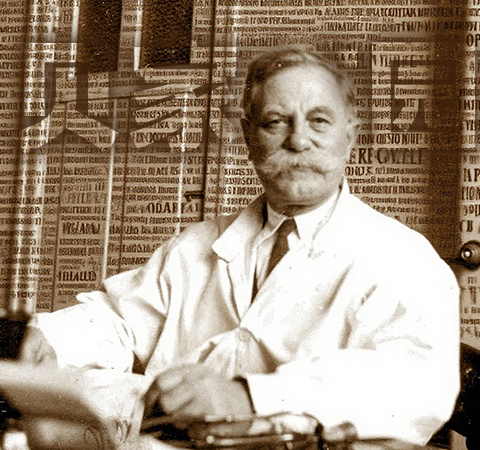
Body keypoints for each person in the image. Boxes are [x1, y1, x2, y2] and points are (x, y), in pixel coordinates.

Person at [21, 48, 459, 446]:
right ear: (249, 136)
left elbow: (417, 383)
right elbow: (118, 320)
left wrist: (249, 397)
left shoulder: (403, 258)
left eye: (319, 121)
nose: (298, 140)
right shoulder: (195, 247)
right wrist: (47, 341)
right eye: (275, 122)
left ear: (350, 135)